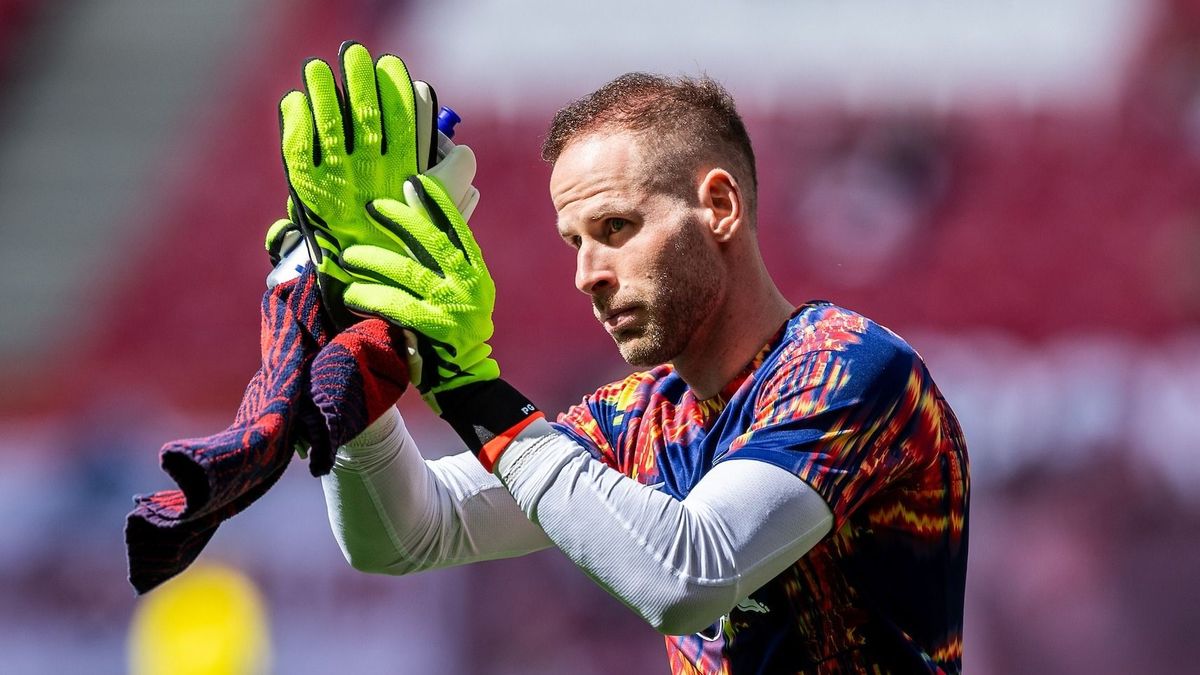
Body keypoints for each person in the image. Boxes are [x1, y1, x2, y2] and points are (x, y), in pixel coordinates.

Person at [290, 55, 969, 674]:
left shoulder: (850, 368)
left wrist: (468, 387)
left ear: (720, 207)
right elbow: (408, 533)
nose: (587, 273)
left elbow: (687, 578)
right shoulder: (638, 416)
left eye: (616, 228)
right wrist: (359, 382)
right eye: (574, 241)